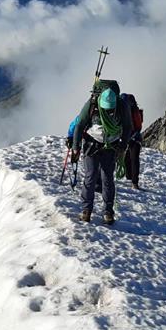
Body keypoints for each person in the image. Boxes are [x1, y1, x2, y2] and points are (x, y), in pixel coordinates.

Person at [70, 81, 132, 225]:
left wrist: (123, 146)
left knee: (107, 179)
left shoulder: (122, 106)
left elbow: (128, 126)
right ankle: (87, 211)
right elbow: (79, 125)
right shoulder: (92, 104)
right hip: (93, 145)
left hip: (110, 147)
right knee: (91, 177)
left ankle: (108, 212)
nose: (108, 112)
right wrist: (76, 147)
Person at [120, 93, 144, 189]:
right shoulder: (134, 111)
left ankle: (134, 181)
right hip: (134, 137)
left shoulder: (132, 111)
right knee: (130, 159)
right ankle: (131, 179)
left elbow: (138, 126)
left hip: (133, 138)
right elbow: (138, 125)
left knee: (133, 159)